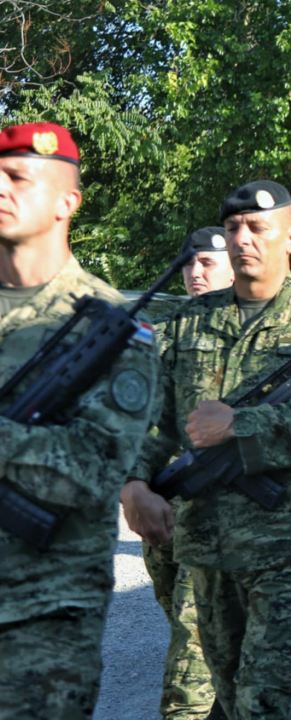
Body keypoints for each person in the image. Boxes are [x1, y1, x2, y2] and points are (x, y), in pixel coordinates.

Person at [125, 180, 291, 719]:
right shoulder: (188, 322)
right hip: (209, 546)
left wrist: (242, 424)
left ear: (290, 238)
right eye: (234, 228)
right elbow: (153, 419)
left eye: (258, 228)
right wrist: (135, 482)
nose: (243, 239)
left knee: (268, 704)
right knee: (233, 697)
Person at [0, 122, 162, 719]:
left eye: (18, 177)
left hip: (41, 614)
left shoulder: (114, 328)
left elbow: (91, 472)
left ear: (68, 202)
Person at [123, 227, 233, 720]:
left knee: (192, 630)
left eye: (207, 262)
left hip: (223, 506)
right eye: (189, 264)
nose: (195, 273)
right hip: (164, 497)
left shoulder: (252, 330)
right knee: (183, 617)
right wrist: (134, 482)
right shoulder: (160, 334)